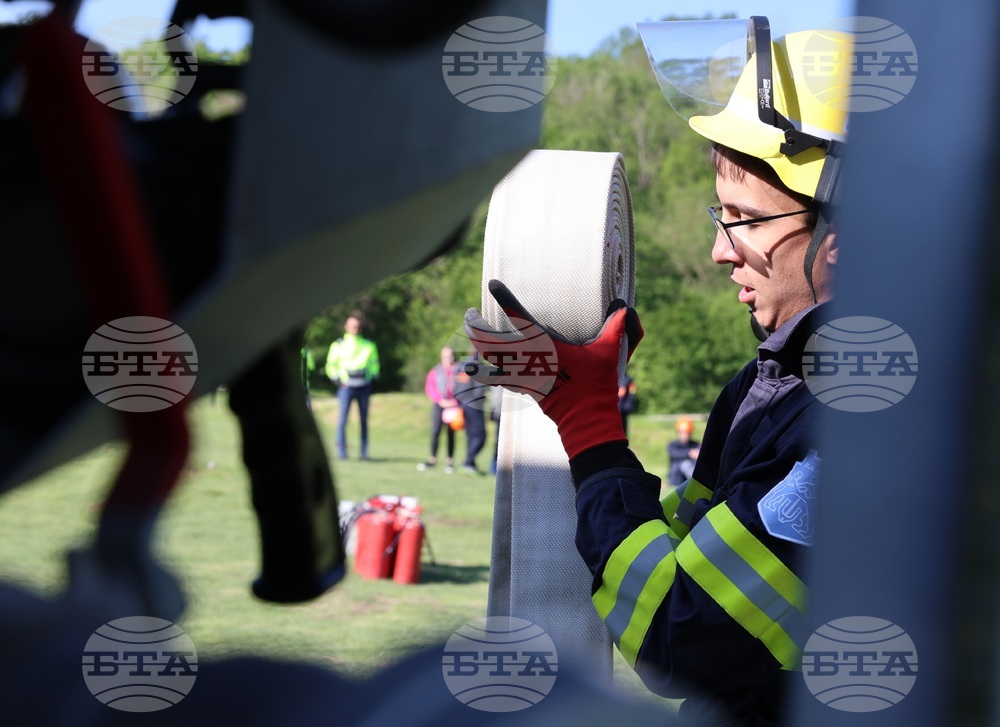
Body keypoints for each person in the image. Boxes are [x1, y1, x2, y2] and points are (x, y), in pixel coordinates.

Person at [464, 19, 846, 726]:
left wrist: (590, 428)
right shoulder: (771, 385)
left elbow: (683, 634)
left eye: (746, 221)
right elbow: (683, 551)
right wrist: (591, 431)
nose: (718, 251)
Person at [325, 315, 380, 460]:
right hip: (346, 388)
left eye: (358, 326)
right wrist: (338, 381)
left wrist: (373, 378)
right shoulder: (338, 345)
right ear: (346, 327)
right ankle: (342, 453)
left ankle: (364, 453)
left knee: (363, 421)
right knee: (342, 421)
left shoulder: (369, 345)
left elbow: (375, 364)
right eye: (352, 326)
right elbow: (330, 366)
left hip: (364, 387)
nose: (355, 328)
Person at [417, 346, 459, 473]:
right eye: (445, 356)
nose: (448, 358)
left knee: (451, 434)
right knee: (435, 432)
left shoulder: (459, 370)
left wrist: (454, 402)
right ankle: (432, 459)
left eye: (450, 355)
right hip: (439, 405)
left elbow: (464, 388)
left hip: (453, 406)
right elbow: (430, 387)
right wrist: (440, 400)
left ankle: (449, 461)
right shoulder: (436, 371)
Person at [455, 351, 487, 475]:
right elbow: (479, 390)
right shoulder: (478, 366)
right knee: (480, 436)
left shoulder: (461, 365)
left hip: (463, 404)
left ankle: (471, 464)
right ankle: (468, 462)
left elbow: (456, 386)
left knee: (470, 435)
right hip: (475, 406)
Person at [666, 416, 700, 487]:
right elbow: (674, 454)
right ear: (678, 432)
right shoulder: (672, 445)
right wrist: (690, 453)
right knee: (685, 464)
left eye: (687, 433)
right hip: (677, 479)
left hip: (691, 476)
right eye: (683, 432)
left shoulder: (695, 444)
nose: (685, 435)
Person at [617, 370, 638, 435]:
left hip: (622, 407)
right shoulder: (629, 379)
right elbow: (633, 391)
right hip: (626, 407)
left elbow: (621, 393)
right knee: (623, 424)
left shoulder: (625, 380)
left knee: (621, 425)